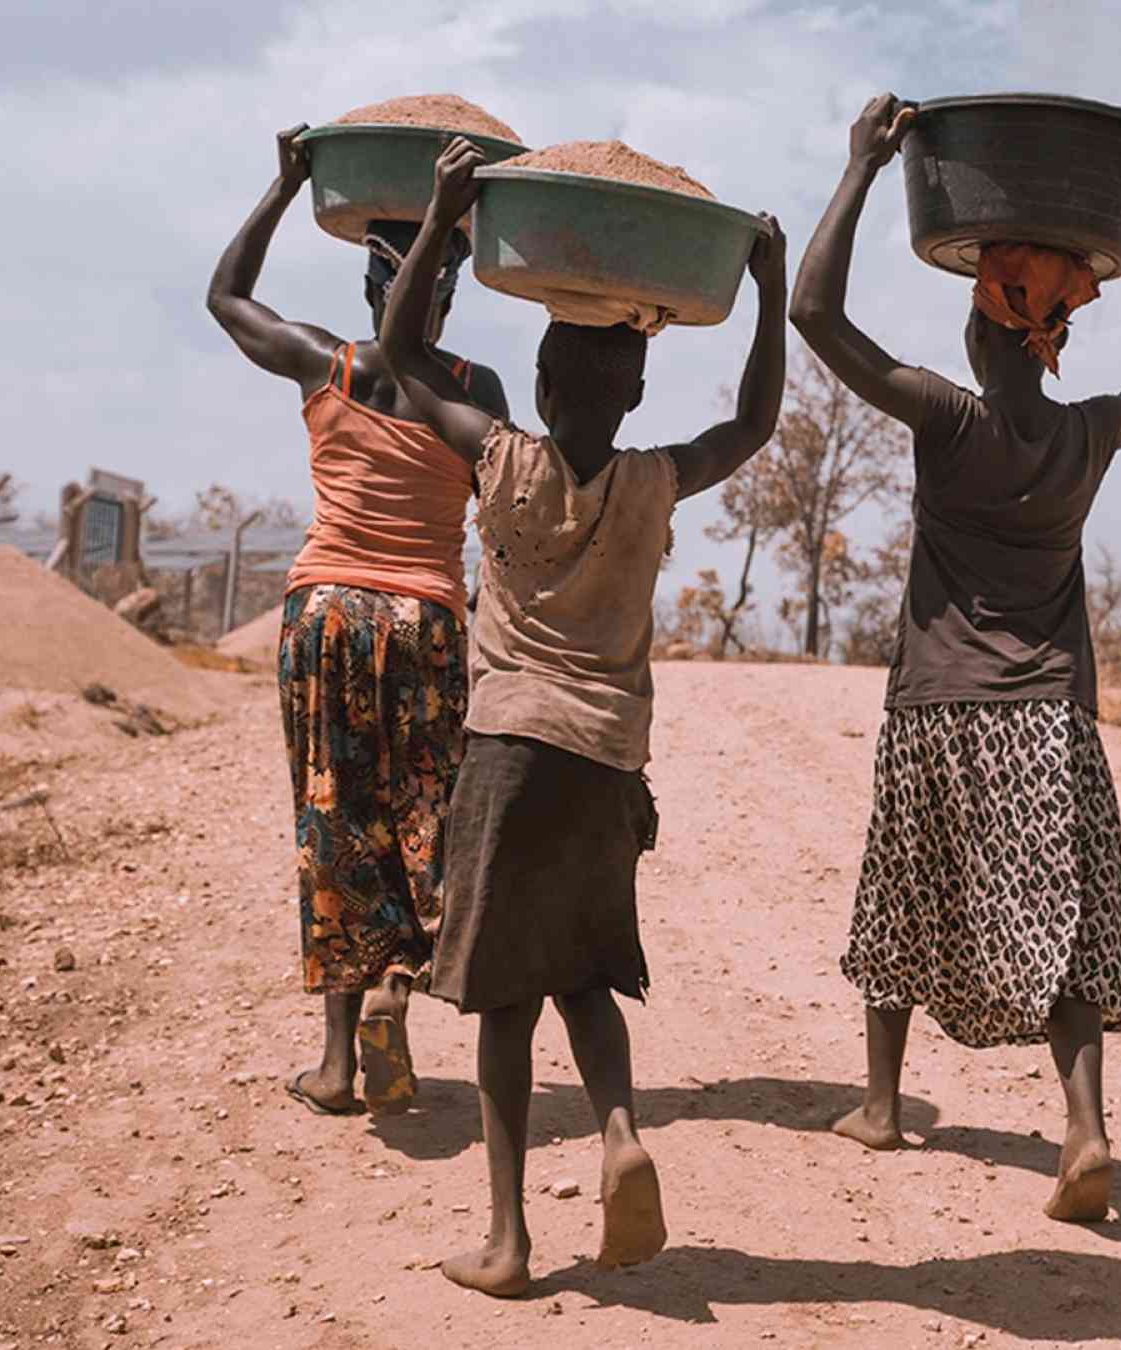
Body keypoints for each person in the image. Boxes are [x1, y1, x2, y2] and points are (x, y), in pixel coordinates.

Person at [382, 137, 787, 1296]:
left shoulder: (497, 457)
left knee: (505, 999)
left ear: (545, 385)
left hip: (507, 749)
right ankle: (618, 1132)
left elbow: (408, 352)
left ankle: (509, 1242)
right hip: (608, 762)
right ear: (639, 391)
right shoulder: (656, 479)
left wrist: (446, 214)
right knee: (587, 976)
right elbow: (754, 425)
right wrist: (762, 291)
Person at [790, 93, 1121, 1222]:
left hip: (938, 709)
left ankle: (879, 1103)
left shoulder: (947, 417)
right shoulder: (1086, 433)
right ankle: (1087, 1128)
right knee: (1055, 923)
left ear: (984, 332)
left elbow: (816, 316)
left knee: (901, 903)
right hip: (1048, 717)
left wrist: (861, 166)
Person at [207, 124, 512, 1118]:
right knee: (425, 822)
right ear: (447, 285)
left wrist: (284, 179)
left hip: (323, 613)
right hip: (423, 617)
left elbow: (225, 297)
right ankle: (396, 987)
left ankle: (338, 1065)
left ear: (371, 285)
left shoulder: (324, 365)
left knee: (332, 823)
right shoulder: (477, 392)